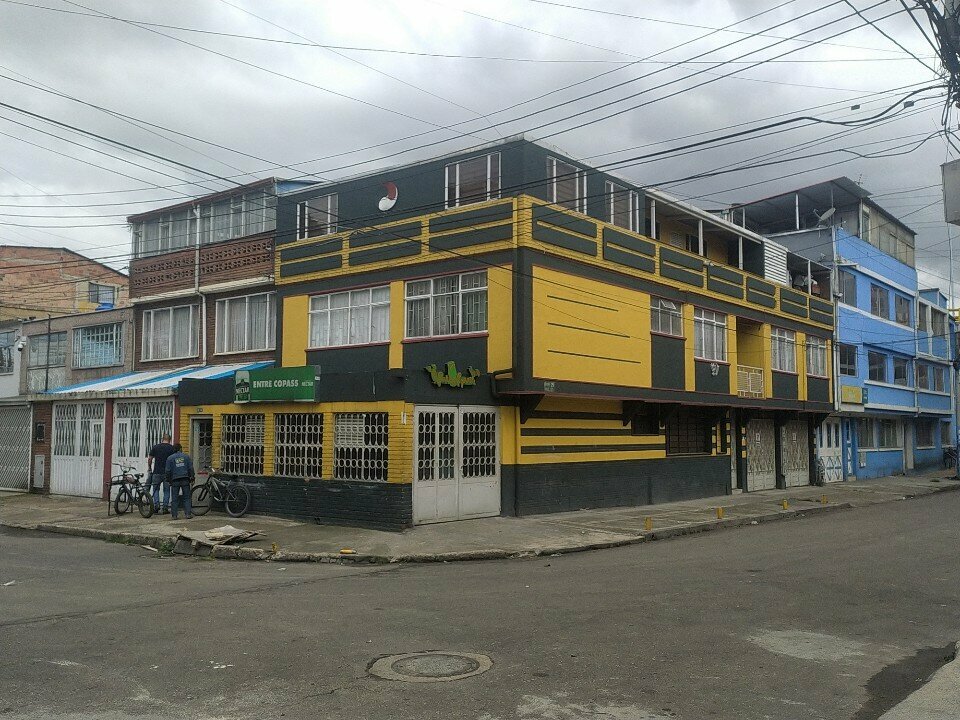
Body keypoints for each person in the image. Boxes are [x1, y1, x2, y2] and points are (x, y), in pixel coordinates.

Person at [165, 443, 195, 520]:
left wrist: (168, 480)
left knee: (174, 498)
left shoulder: (170, 458)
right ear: (181, 449)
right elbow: (191, 468)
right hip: (185, 479)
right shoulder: (186, 457)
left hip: (175, 480)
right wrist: (192, 477)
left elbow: (168, 471)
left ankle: (174, 515)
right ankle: (188, 514)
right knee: (187, 497)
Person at [147, 433, 176, 514]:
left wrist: (149, 467)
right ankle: (165, 508)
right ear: (170, 440)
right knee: (166, 490)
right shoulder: (172, 448)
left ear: (162, 439)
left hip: (156, 472)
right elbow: (174, 460)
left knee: (155, 489)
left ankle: (156, 505)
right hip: (167, 473)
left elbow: (150, 459)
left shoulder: (155, 447)